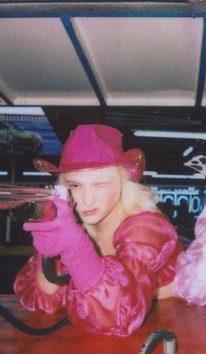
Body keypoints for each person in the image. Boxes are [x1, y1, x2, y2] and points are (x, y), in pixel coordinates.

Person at [14, 124, 183, 337]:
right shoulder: (82, 227)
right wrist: (48, 247)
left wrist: (76, 250)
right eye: (75, 185)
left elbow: (118, 316)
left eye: (100, 184)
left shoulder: (146, 228)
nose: (87, 199)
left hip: (179, 333)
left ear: (123, 183)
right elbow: (46, 300)